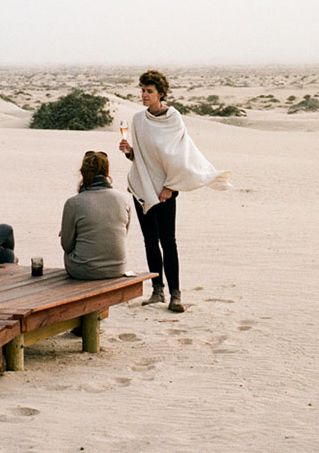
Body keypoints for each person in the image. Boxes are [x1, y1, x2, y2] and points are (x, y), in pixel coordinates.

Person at [119, 69, 231, 312]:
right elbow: (141, 158)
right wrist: (129, 151)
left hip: (165, 190)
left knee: (168, 241)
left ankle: (175, 294)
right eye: (142, 90)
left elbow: (180, 156)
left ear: (161, 93)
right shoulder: (138, 120)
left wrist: (170, 186)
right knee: (150, 241)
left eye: (149, 91)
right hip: (142, 186)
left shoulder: (173, 119)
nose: (144, 95)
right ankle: (156, 290)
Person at [59, 151, 132, 280]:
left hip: (84, 269)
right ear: (107, 173)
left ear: (83, 172)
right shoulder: (123, 199)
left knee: (70, 253)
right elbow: (122, 232)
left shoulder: (74, 203)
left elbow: (67, 245)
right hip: (117, 267)